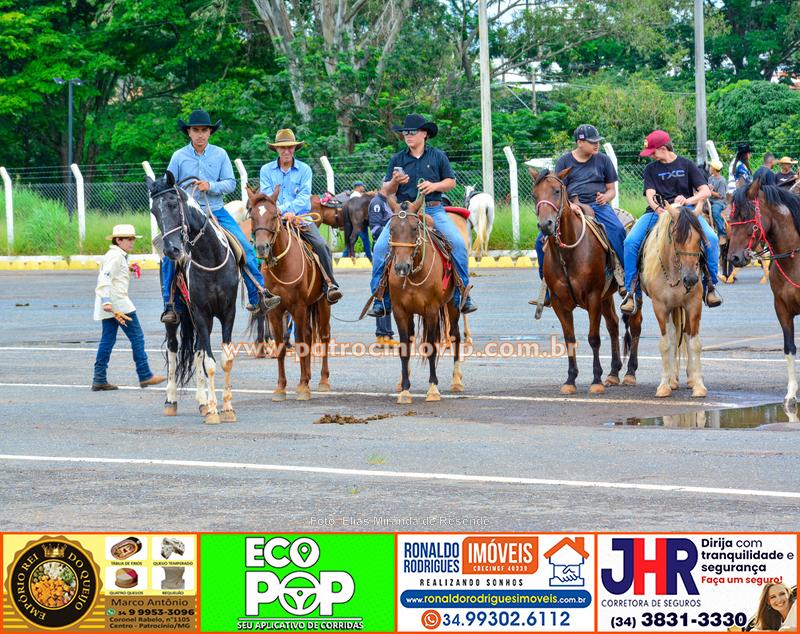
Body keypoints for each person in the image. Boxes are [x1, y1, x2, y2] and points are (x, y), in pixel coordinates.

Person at [160, 110, 280, 324]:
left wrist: (210, 186)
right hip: (187, 215)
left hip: (216, 211)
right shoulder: (178, 156)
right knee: (168, 255)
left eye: (204, 130)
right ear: (189, 132)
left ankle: (258, 295)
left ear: (209, 132)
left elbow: (230, 183)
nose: (200, 134)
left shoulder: (220, 154)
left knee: (245, 248)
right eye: (195, 130)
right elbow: (168, 185)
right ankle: (170, 305)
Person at [367, 113, 475, 317]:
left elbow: (451, 182)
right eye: (405, 132)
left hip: (434, 209)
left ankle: (463, 295)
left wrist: (434, 186)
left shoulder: (438, 156)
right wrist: (395, 182)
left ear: (424, 134)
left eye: (412, 132)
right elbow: (387, 190)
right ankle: (381, 300)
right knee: (380, 248)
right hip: (403, 213)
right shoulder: (397, 159)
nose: (408, 135)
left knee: (458, 244)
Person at [620, 130, 722, 314]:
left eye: (652, 152)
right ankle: (632, 292)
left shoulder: (687, 164)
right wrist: (657, 208)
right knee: (630, 242)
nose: (650, 155)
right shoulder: (651, 169)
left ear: (663, 149)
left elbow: (705, 191)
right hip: (657, 213)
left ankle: (710, 286)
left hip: (686, 212)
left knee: (712, 240)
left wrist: (688, 200)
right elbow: (650, 194)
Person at [533, 124, 626, 305]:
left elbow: (611, 190)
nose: (597, 145)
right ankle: (547, 288)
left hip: (598, 205)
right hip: (571, 205)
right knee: (540, 241)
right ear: (580, 143)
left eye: (598, 142)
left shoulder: (604, 160)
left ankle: (623, 279)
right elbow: (558, 189)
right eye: (592, 142)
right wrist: (571, 205)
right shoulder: (564, 161)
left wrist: (605, 198)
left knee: (618, 230)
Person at [259, 129, 342, 303]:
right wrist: (282, 212)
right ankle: (259, 291)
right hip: (274, 219)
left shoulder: (304, 169)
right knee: (258, 246)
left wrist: (288, 211)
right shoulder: (266, 170)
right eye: (283, 148)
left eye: (290, 147)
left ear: (295, 149)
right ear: (276, 149)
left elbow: (304, 199)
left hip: (301, 218)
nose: (286, 151)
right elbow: (267, 197)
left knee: (321, 244)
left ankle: (330, 284)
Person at [92, 225, 166, 391]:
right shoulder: (116, 256)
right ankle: (145, 375)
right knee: (137, 337)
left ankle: (99, 378)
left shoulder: (115, 255)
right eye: (128, 239)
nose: (132, 242)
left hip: (112, 303)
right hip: (117, 303)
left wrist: (127, 268)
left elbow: (112, 272)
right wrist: (106, 301)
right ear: (118, 240)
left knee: (108, 340)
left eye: (133, 239)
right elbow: (104, 278)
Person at [368, 183, 400, 347]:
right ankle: (384, 334)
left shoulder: (392, 201)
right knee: (382, 288)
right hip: (384, 248)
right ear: (385, 186)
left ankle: (383, 334)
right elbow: (374, 229)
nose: (397, 188)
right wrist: (395, 237)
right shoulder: (377, 202)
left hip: (394, 247)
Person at [342, 181, 373, 260]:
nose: (363, 188)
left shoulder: (356, 195)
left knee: (354, 238)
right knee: (364, 239)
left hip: (360, 221)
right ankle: (369, 256)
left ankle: (345, 255)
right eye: (362, 186)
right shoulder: (357, 196)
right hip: (361, 221)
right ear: (359, 187)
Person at [707, 160, 728, 240]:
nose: (709, 168)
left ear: (714, 169)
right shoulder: (710, 178)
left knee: (715, 212)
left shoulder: (722, 181)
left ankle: (721, 234)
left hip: (719, 201)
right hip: (710, 200)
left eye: (710, 167)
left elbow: (720, 195)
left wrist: (710, 192)